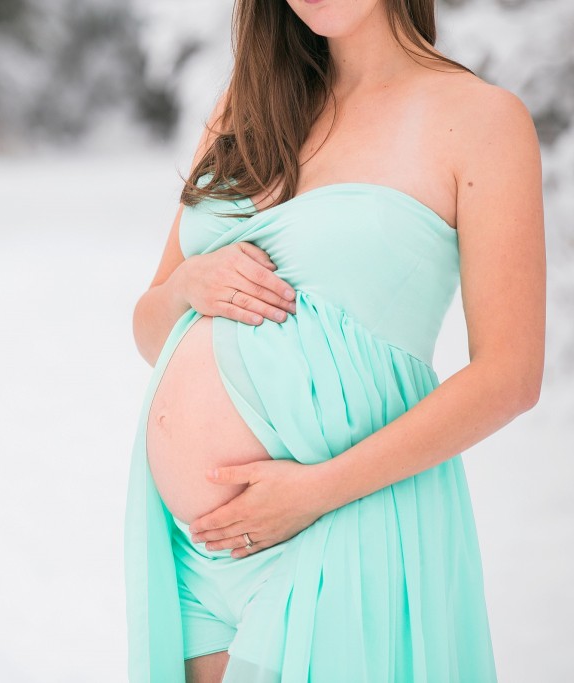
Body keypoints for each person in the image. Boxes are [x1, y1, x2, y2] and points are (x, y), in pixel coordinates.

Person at [124, 0, 545, 681]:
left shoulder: (480, 120)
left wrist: (316, 491)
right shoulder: (247, 104)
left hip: (340, 518)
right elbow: (150, 327)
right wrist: (188, 286)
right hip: (199, 551)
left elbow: (510, 376)